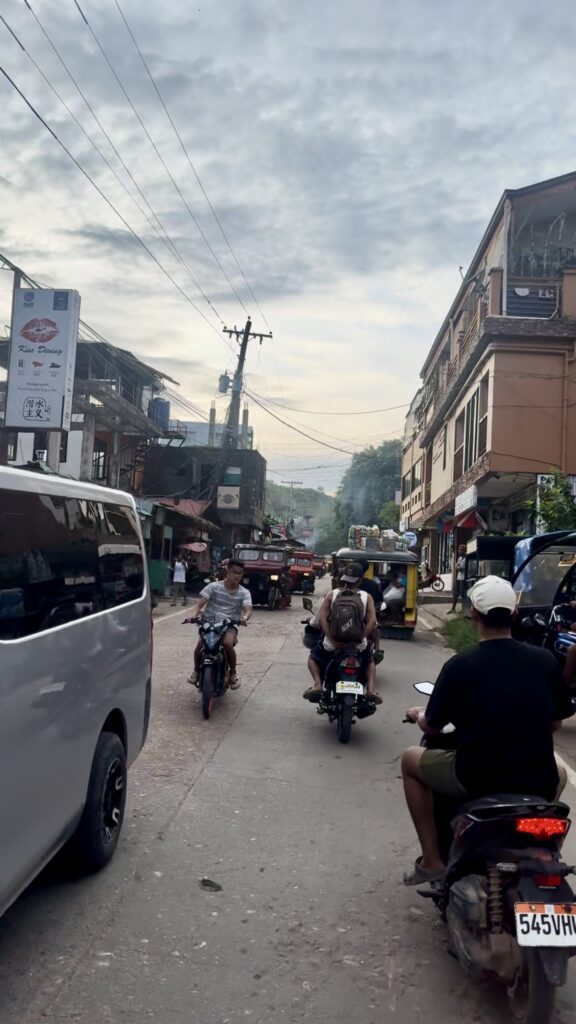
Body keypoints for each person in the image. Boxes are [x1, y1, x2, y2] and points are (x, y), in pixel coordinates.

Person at [401, 575, 574, 886]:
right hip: (538, 780)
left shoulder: (460, 665)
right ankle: (545, 849)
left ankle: (431, 860)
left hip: (474, 778)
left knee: (410, 760)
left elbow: (433, 725)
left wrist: (418, 715)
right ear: (515, 615)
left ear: (474, 616)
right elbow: (555, 723)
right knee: (560, 775)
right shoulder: (545, 660)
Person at [302, 561, 382, 704]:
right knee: (369, 662)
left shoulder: (332, 595)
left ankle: (318, 684)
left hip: (332, 646)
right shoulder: (366, 597)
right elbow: (373, 623)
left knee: (313, 658)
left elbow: (320, 620)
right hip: (357, 647)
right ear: (360, 579)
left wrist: (332, 640)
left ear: (343, 578)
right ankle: (370, 689)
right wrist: (360, 638)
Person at [187, 559, 253, 690]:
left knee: (227, 644)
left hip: (229, 624)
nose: (237, 576)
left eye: (240, 573)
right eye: (234, 572)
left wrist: (244, 618)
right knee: (200, 644)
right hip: (209, 623)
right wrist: (193, 616)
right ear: (227, 571)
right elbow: (200, 604)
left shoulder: (244, 592)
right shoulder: (213, 587)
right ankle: (195, 671)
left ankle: (233, 674)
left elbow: (248, 609)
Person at [356, 558, 384, 663]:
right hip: (367, 623)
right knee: (376, 628)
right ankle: (377, 650)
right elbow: (380, 601)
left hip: (344, 625)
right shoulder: (372, 585)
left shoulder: (343, 586)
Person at [449, 544, 467, 613]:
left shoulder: (466, 558)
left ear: (463, 550)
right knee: (455, 593)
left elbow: (461, 568)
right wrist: (458, 567)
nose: (459, 551)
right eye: (459, 549)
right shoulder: (459, 558)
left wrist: (458, 567)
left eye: (460, 550)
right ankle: (453, 609)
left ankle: (464, 609)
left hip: (463, 578)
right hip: (458, 577)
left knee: (462, 593)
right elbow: (456, 567)